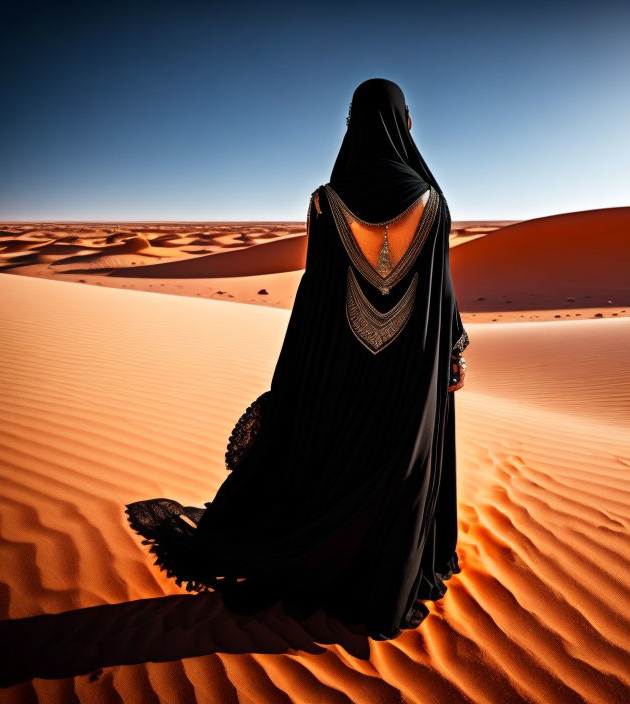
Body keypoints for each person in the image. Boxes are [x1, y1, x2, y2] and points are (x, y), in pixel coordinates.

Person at [124, 78, 470, 641]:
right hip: (411, 366)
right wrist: (452, 350)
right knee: (398, 460)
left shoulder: (325, 201)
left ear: (354, 125)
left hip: (338, 362)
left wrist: (300, 378)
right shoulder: (433, 201)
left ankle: (324, 553)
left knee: (332, 456)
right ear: (403, 123)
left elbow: (317, 294)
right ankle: (388, 567)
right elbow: (442, 291)